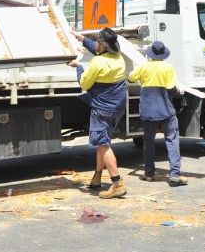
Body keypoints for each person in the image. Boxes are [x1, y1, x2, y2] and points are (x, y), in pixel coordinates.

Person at [70, 27, 128, 199]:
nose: (95, 43)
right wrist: (80, 37)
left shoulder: (98, 63)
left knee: (102, 145)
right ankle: (97, 178)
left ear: (102, 45)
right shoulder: (118, 58)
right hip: (117, 108)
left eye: (97, 42)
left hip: (102, 109)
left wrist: (78, 66)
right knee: (102, 143)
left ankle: (117, 183)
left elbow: (84, 84)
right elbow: (96, 48)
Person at [128, 41, 185, 186]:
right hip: (165, 109)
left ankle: (149, 174)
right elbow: (172, 89)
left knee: (148, 142)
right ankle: (174, 174)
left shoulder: (144, 66)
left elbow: (130, 78)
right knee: (172, 139)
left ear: (151, 53)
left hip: (147, 110)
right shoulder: (168, 67)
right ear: (163, 54)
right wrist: (179, 93)